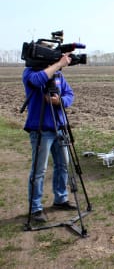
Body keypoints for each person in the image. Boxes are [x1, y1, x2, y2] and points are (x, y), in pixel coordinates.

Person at [23, 54, 77, 223]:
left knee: (63, 165)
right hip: (41, 129)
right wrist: (58, 64)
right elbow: (38, 80)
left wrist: (60, 100)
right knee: (40, 170)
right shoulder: (29, 72)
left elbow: (69, 94)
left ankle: (61, 199)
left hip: (60, 127)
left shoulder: (58, 75)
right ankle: (35, 207)